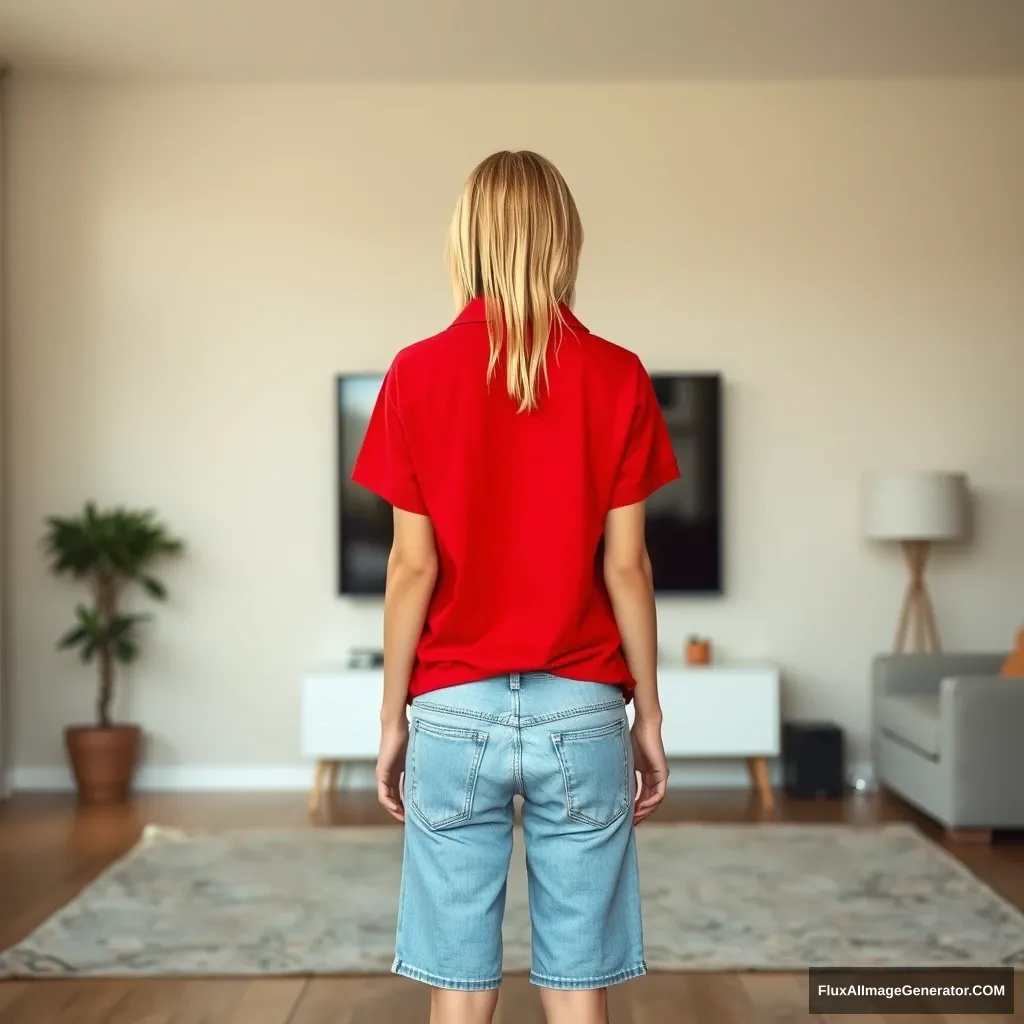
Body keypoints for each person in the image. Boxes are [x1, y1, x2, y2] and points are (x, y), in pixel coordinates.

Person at [351, 150, 679, 1024]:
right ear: (563, 242)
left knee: (460, 983)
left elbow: (411, 567)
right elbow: (627, 567)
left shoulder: (416, 373)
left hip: (454, 709)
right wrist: (647, 713)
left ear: (466, 244)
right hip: (582, 707)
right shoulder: (617, 374)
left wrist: (392, 718)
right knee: (578, 983)